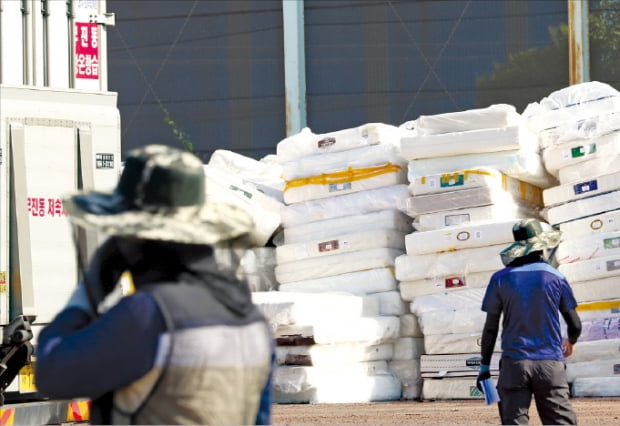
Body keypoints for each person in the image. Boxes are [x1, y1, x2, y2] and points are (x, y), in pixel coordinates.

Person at [35, 144, 275, 424]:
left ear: (136, 239)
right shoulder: (250, 322)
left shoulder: (148, 313)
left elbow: (53, 375)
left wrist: (90, 290)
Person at [477, 218, 582, 425]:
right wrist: (571, 341)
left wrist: (484, 367)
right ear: (542, 247)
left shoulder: (500, 278)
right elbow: (575, 324)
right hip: (550, 364)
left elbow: (490, 329)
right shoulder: (556, 277)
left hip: (514, 364)